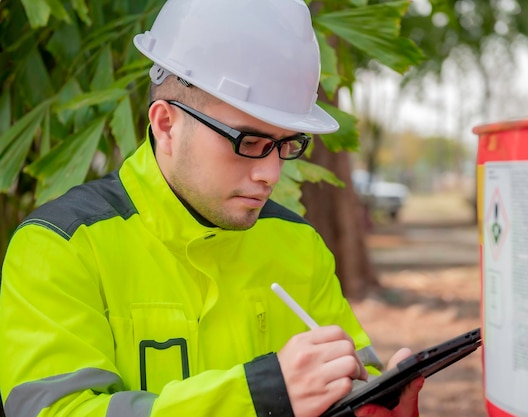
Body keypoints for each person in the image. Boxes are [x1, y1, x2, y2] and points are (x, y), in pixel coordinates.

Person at [0, 0, 424, 416]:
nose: (271, 174)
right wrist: (259, 396)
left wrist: (370, 405)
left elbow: (354, 376)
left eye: (286, 145)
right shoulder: (61, 246)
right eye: (249, 143)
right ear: (166, 124)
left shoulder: (299, 246)